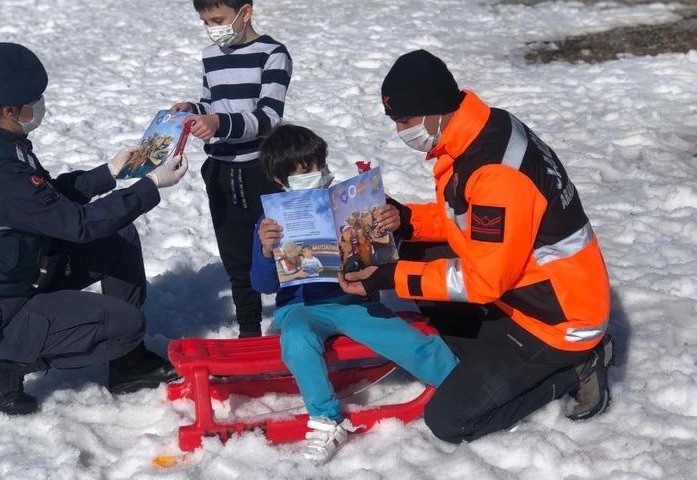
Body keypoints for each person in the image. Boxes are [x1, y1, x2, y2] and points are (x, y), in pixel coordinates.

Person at [341, 50, 614, 443]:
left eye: (404, 121)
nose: (401, 131)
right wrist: (409, 220)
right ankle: (494, 359)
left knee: (450, 420)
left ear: (434, 110)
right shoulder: (479, 129)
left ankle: (580, 366)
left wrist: (389, 277)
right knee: (412, 252)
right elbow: (469, 220)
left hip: (558, 321)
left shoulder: (495, 171)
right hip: (534, 287)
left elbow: (483, 282)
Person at [0, 43, 188, 415]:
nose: (39, 105)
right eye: (34, 100)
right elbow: (79, 225)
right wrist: (149, 187)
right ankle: (5, 365)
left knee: (117, 238)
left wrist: (109, 173)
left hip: (17, 272)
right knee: (127, 325)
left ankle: (127, 364)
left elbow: (44, 200)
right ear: (8, 110)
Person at [252, 124, 459, 463]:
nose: (318, 174)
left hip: (352, 300)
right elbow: (262, 285)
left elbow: (384, 255)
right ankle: (325, 418)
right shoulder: (270, 222)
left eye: (320, 165)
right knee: (298, 340)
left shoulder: (347, 202)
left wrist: (391, 224)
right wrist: (265, 250)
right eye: (305, 171)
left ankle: (460, 384)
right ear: (280, 180)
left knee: (405, 338)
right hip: (301, 307)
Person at [170, 0, 293, 337]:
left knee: (278, 248)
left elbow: (269, 117)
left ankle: (291, 322)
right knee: (236, 257)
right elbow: (212, 103)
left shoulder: (272, 54)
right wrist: (192, 109)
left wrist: (218, 122)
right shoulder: (211, 56)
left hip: (262, 169)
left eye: (218, 19)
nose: (213, 28)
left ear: (246, 12)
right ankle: (249, 329)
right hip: (221, 170)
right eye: (206, 21)